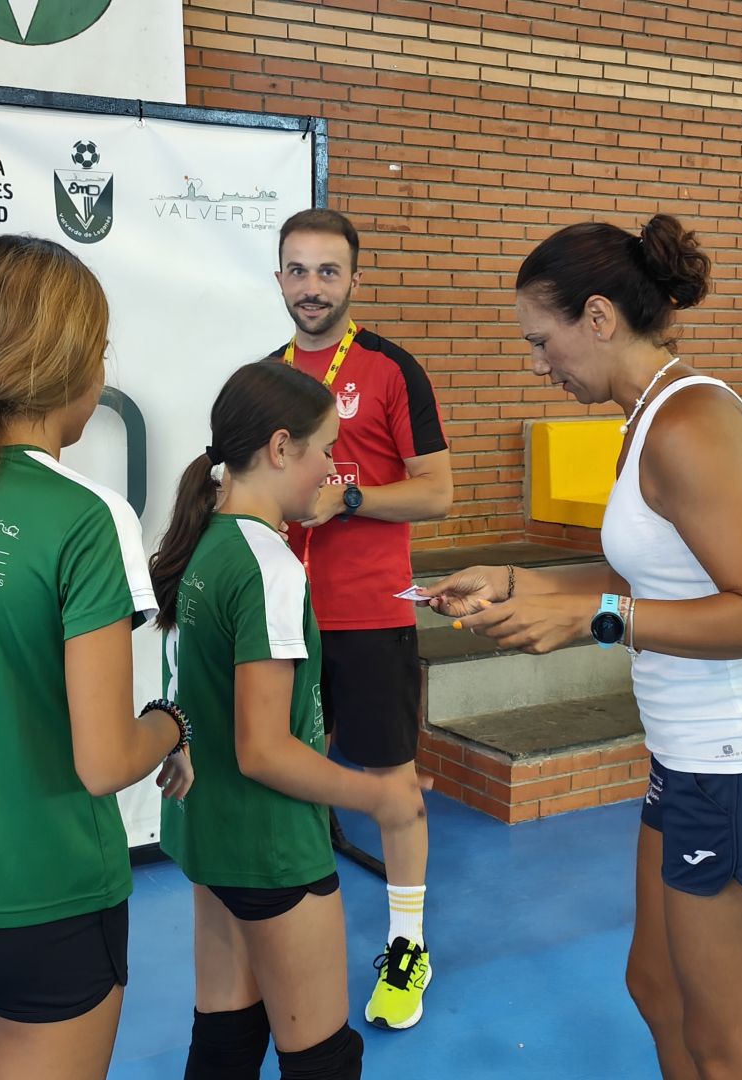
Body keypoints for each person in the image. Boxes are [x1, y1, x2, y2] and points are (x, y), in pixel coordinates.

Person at [425, 213, 742, 1080]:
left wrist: (600, 620)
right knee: (655, 988)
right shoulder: (651, 412)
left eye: (542, 342)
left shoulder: (687, 427)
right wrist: (520, 584)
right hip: (693, 759)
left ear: (597, 317)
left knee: (735, 1053)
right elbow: (657, 575)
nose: (540, 366)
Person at [0, 234, 193, 1080]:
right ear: (76, 373)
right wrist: (172, 724)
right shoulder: (87, 517)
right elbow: (103, 763)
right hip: (42, 897)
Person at [152, 361, 429, 1079]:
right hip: (272, 846)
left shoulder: (206, 540)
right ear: (280, 449)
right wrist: (380, 797)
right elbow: (265, 750)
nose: (335, 469)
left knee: (227, 1033)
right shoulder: (268, 565)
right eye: (327, 450)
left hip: (208, 831)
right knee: (324, 1059)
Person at [268, 208, 450, 1029]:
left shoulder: (389, 369)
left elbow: (437, 492)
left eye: (327, 271)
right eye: (298, 271)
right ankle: (292, 941)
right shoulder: (263, 377)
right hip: (277, 616)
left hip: (369, 617)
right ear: (279, 279)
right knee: (281, 781)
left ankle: (407, 946)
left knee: (390, 784)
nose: (312, 287)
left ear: (352, 279)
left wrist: (349, 498)